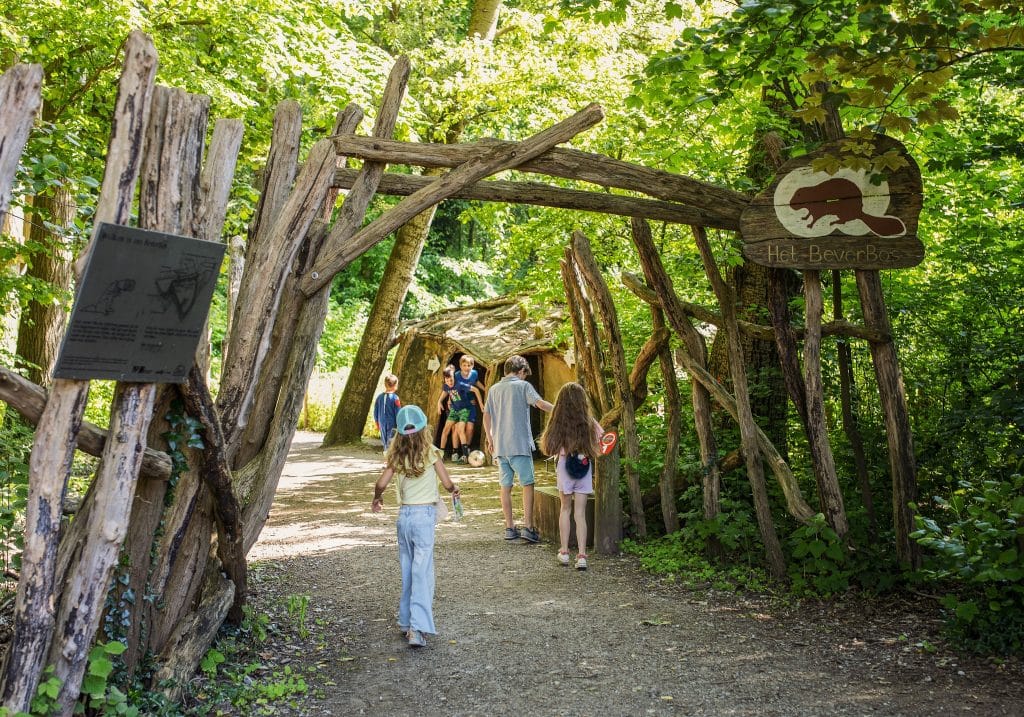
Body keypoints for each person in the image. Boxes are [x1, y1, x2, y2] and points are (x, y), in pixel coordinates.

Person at [371, 404, 460, 648]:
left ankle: (404, 620)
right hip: (423, 518)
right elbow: (446, 481)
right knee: (422, 572)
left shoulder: (396, 457)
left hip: (404, 518)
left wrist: (377, 498)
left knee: (409, 570)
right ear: (424, 429)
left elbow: (381, 483)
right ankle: (417, 628)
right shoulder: (431, 453)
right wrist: (454, 490)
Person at [482, 354, 553, 543]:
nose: (525, 377)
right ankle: (528, 527)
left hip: (500, 447)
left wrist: (490, 440)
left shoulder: (494, 389)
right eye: (525, 374)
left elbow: (486, 416)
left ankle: (509, 527)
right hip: (519, 445)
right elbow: (540, 404)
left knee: (505, 487)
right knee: (527, 484)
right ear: (521, 371)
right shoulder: (523, 386)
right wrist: (560, 409)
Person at [539, 382, 604, 570]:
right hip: (584, 467)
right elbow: (602, 443)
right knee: (580, 513)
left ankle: (565, 551)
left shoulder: (557, 423)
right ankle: (582, 555)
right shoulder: (590, 422)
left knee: (565, 509)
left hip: (564, 467)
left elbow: (548, 446)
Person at [373, 374, 401, 452]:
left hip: (381, 422)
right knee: (392, 441)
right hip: (392, 423)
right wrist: (400, 424)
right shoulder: (395, 398)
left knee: (384, 440)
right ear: (395, 385)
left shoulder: (379, 397)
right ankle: (389, 458)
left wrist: (376, 422)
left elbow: (375, 411)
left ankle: (387, 456)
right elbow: (398, 412)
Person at [436, 366, 458, 460]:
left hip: (458, 410)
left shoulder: (459, 384)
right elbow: (443, 395)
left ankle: (455, 452)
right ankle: (442, 452)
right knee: (446, 430)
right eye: (447, 380)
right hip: (451, 410)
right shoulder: (446, 386)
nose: (449, 382)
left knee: (455, 430)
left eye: (451, 380)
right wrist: (439, 403)